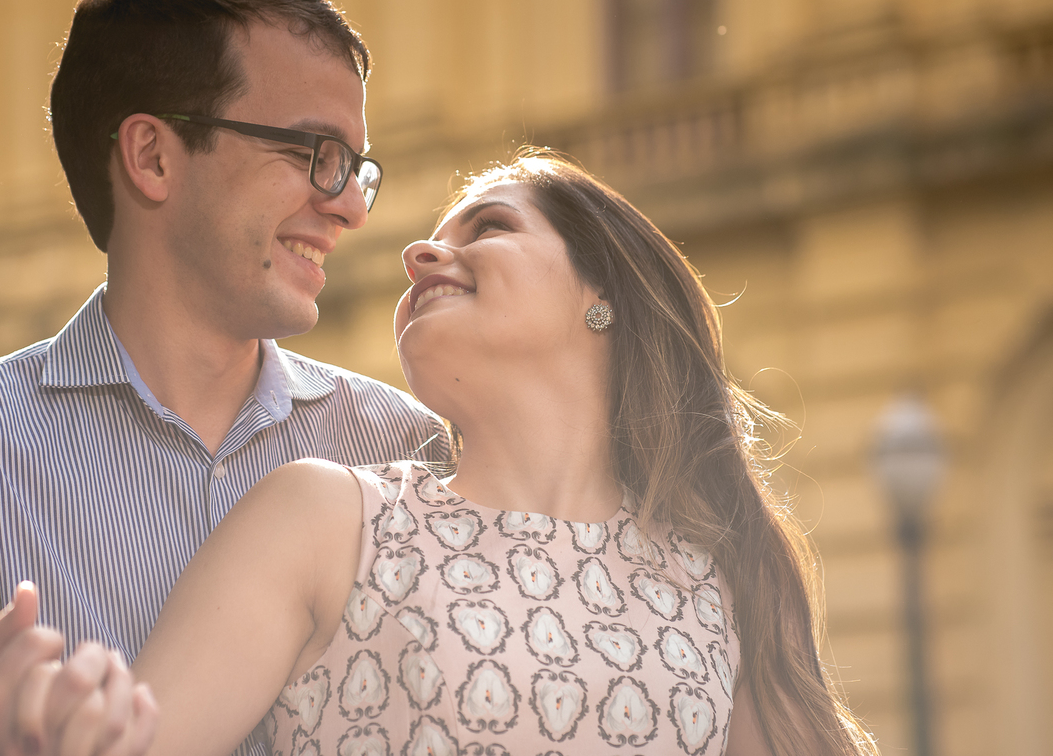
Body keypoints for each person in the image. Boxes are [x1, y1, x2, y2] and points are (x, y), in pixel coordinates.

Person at [0, 0, 448, 754]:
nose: (348, 207)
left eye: (355, 169)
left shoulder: (409, 449)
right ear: (154, 157)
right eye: (315, 151)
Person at [122, 151, 880, 755]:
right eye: (435, 239)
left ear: (603, 294)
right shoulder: (324, 520)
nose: (419, 253)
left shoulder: (722, 582)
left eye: (487, 227)